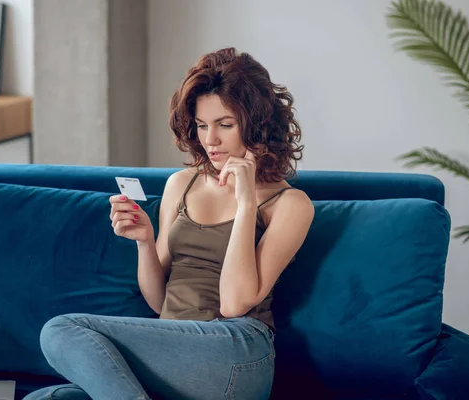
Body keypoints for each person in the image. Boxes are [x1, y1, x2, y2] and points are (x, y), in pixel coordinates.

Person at [24, 47, 314, 400]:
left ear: (256, 125)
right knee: (45, 399)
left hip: (237, 350)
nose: (211, 140)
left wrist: (245, 202)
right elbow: (161, 303)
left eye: (225, 125)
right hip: (176, 349)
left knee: (61, 330)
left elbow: (235, 304)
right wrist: (145, 241)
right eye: (203, 125)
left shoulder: (289, 204)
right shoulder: (182, 183)